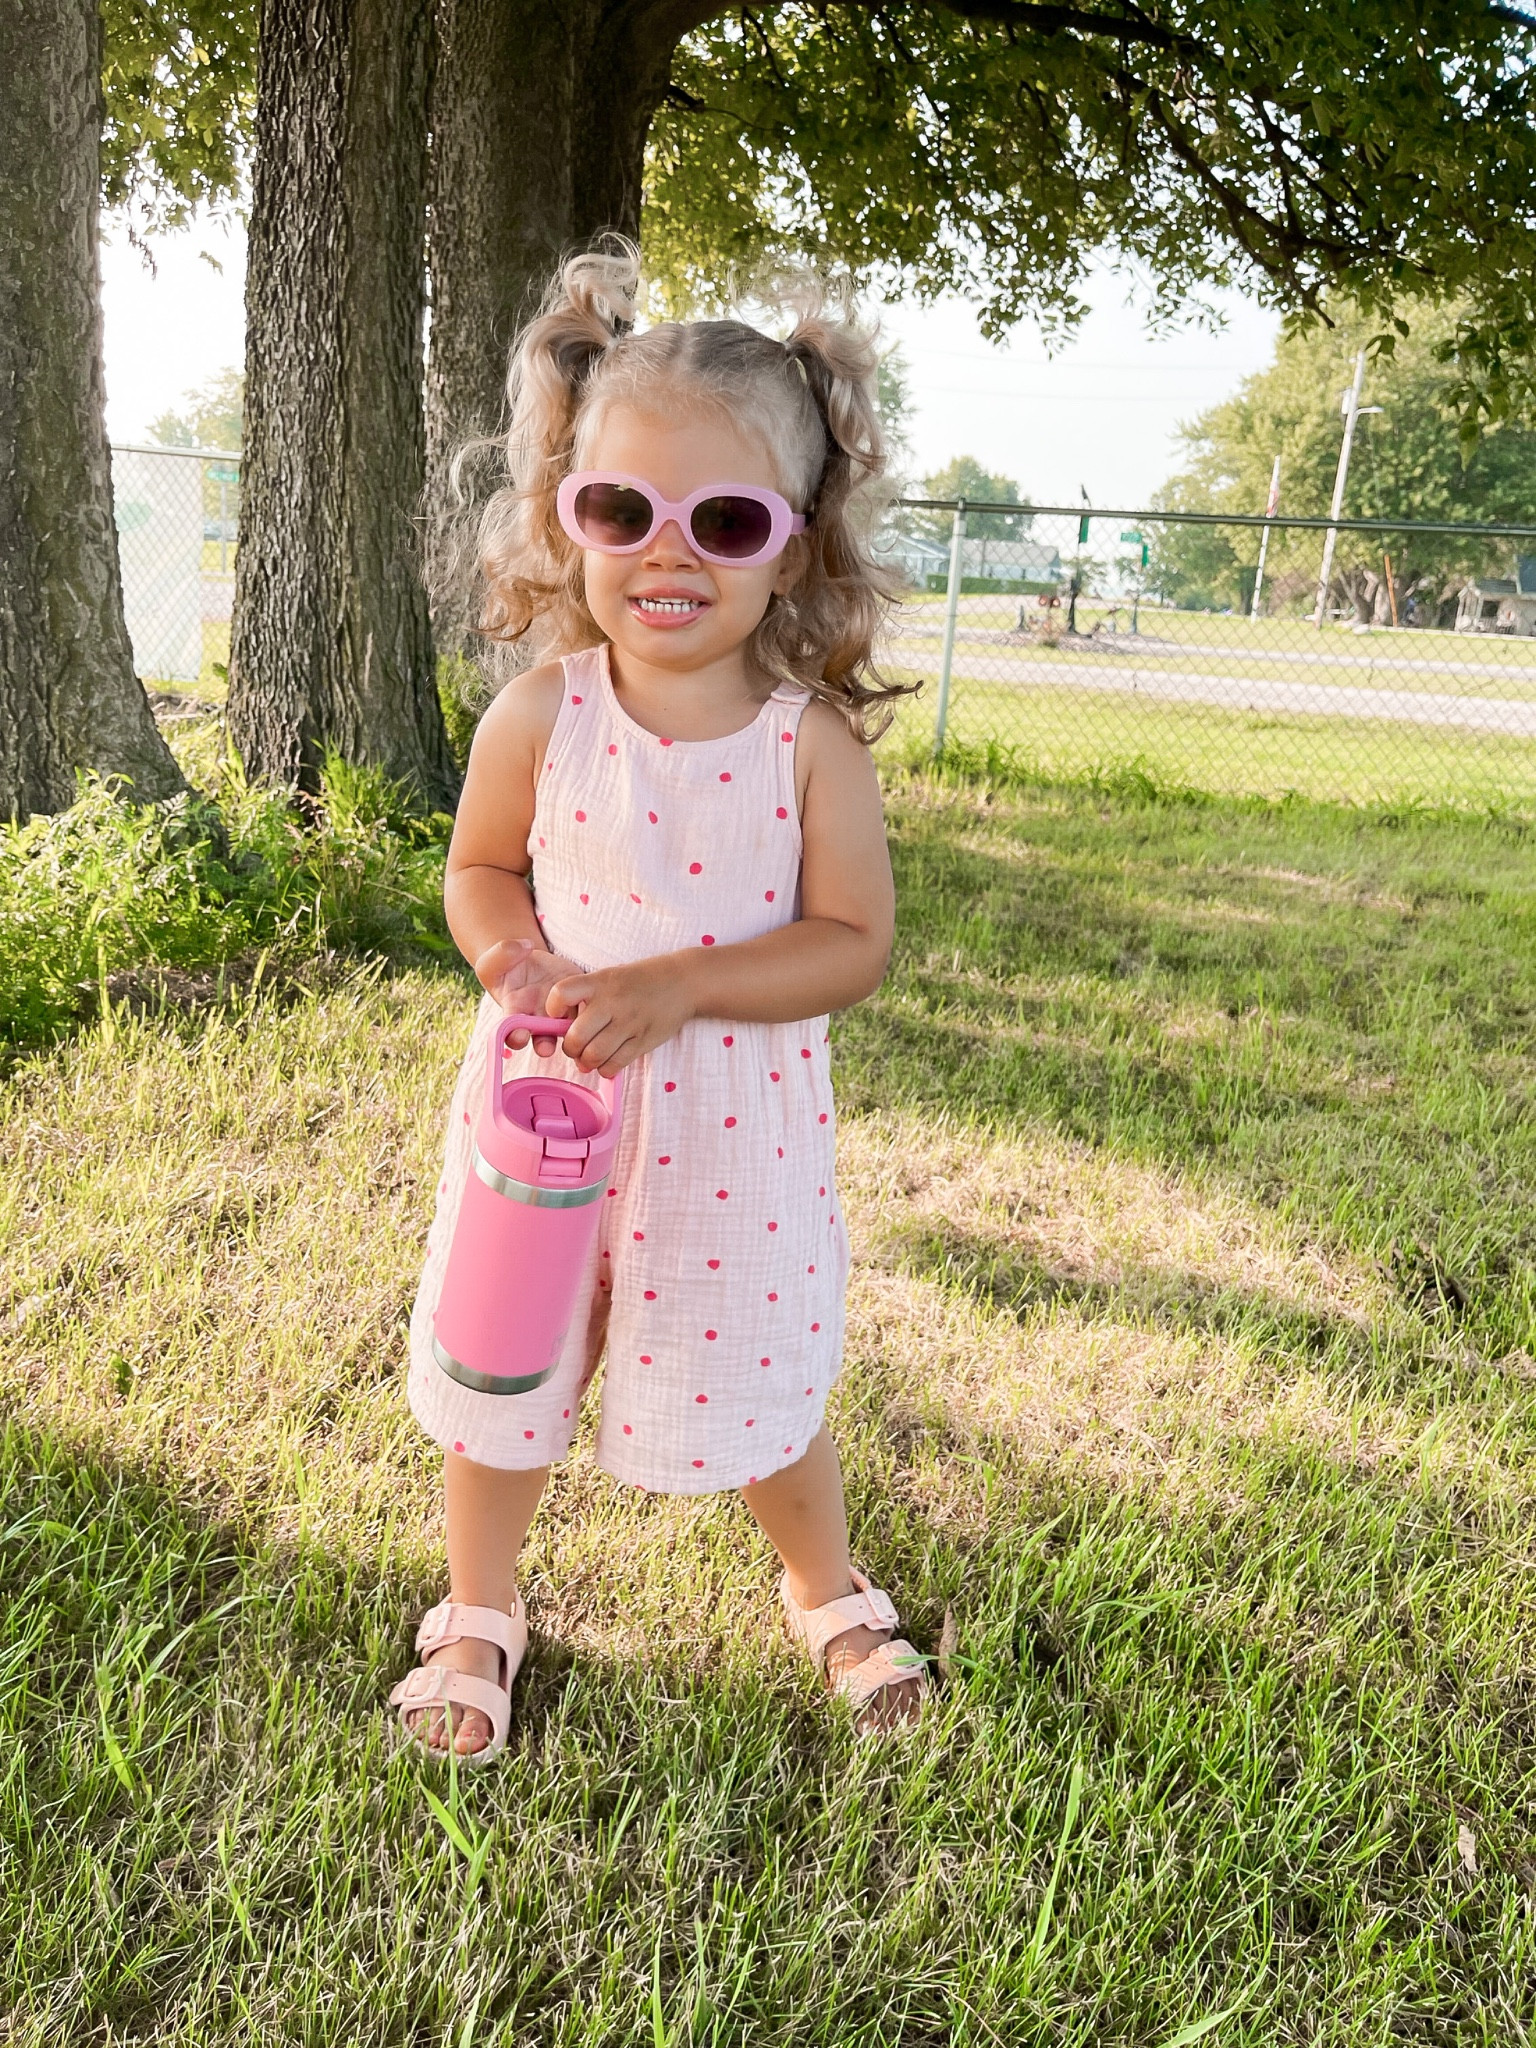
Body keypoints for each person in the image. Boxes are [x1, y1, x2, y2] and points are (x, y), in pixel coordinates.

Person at [389, 242, 927, 1762]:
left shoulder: (803, 743)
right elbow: (482, 875)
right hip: (551, 1118)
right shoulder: (539, 713)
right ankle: (480, 1607)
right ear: (568, 512)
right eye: (622, 508)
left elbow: (851, 942)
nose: (668, 553)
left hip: (733, 1139)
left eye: (727, 520)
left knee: (761, 1375)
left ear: (796, 541)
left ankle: (824, 1586)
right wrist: (518, 965)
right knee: (511, 1370)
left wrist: (685, 980)